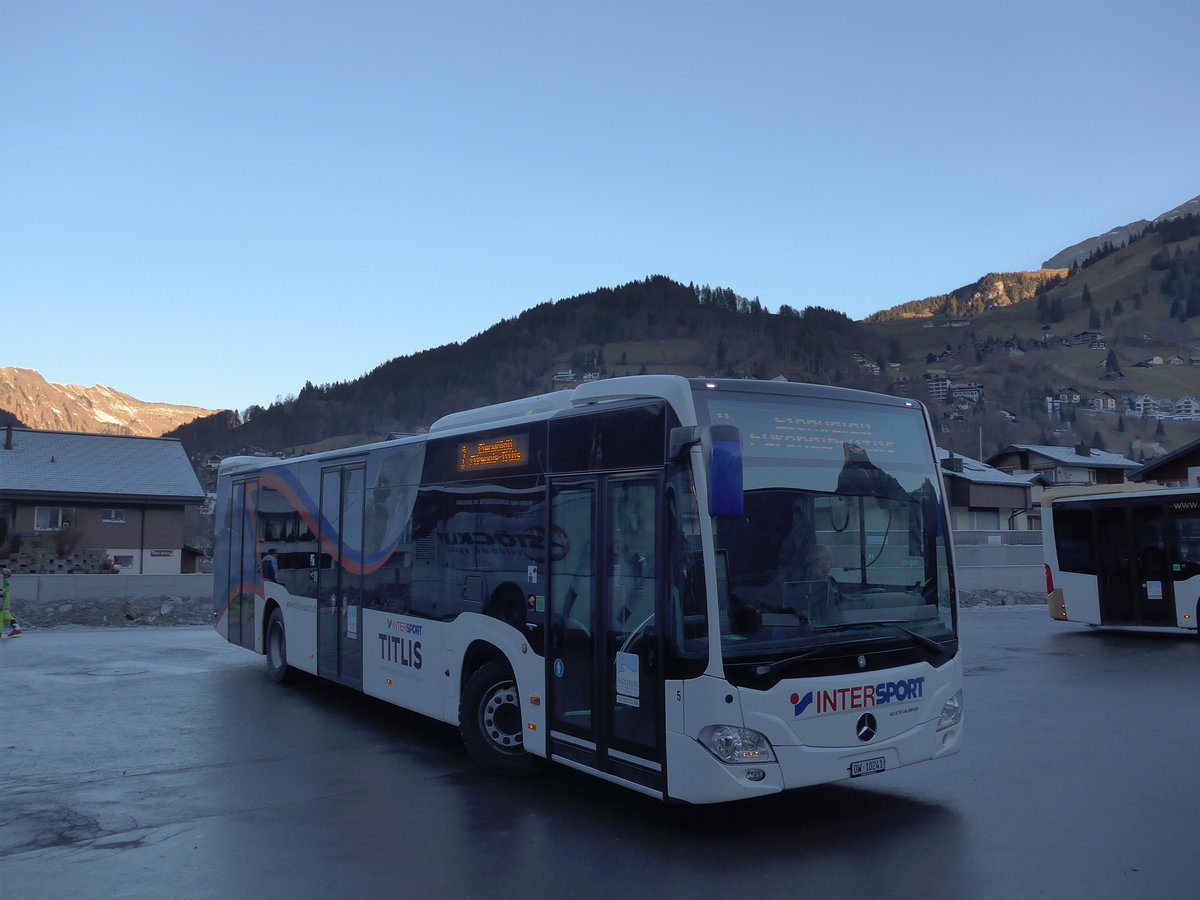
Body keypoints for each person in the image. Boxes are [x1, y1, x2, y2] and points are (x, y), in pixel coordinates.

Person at [2, 567, 21, 637]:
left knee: (3, 616)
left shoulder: (5, 586)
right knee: (4, 616)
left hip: (3, 604)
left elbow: (5, 586)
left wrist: (5, 577)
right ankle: (17, 628)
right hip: (4, 603)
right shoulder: (5, 585)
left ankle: (17, 628)